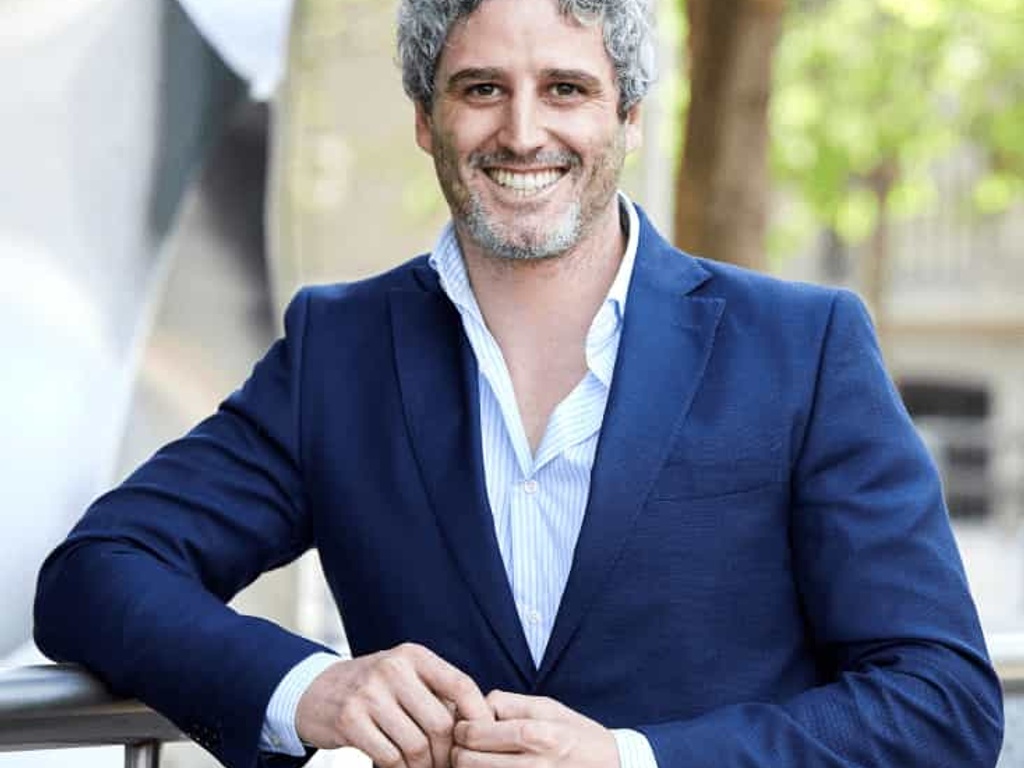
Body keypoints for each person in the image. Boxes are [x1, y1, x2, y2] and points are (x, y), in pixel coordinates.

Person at [34, 0, 1003, 767]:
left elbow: (940, 700)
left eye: (567, 88)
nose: (523, 130)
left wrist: (631, 761)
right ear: (425, 118)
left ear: (626, 112)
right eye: (482, 87)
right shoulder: (341, 347)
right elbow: (97, 572)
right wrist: (306, 689)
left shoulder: (801, 345)